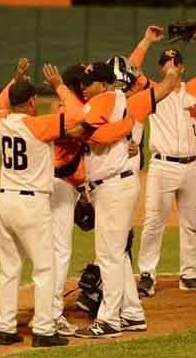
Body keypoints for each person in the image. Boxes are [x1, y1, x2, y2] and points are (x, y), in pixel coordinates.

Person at [74, 60, 183, 338]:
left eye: (90, 83)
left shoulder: (113, 101)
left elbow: (87, 136)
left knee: (108, 255)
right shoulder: (123, 103)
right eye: (83, 84)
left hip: (114, 187)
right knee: (118, 254)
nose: (85, 88)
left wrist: (172, 69)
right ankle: (132, 313)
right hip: (113, 185)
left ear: (106, 83)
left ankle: (109, 320)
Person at [0, 65, 88, 347]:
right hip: (30, 205)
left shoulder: (2, 121)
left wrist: (15, 79)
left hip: (4, 202)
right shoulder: (38, 125)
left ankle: (6, 327)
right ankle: (44, 330)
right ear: (33, 101)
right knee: (45, 269)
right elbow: (76, 115)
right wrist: (59, 85)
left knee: (10, 269)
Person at [131, 24, 196, 297]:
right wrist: (147, 40)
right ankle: (147, 274)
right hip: (162, 166)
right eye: (166, 62)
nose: (170, 65)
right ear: (161, 68)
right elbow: (130, 70)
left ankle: (189, 274)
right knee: (153, 222)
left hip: (194, 165)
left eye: (175, 62)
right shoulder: (151, 90)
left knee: (191, 222)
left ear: (182, 68)